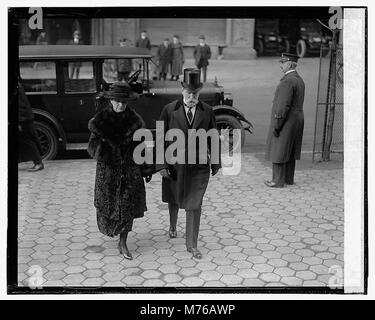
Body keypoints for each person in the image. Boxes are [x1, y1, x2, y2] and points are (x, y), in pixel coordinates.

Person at [159, 69, 221, 259]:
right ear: (182, 90)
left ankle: (192, 245)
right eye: (189, 93)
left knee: (194, 204)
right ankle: (172, 225)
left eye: (195, 94)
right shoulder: (169, 110)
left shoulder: (207, 111)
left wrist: (216, 162)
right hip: (174, 165)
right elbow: (160, 137)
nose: (192, 97)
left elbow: (214, 137)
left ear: (200, 93)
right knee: (174, 197)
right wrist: (160, 165)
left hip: (198, 167)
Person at [87, 82, 147, 260]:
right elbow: (92, 147)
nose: (120, 105)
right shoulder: (100, 120)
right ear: (110, 100)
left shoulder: (135, 121)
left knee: (127, 208)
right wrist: (104, 148)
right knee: (109, 206)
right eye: (116, 101)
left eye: (123, 102)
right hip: (108, 172)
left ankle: (123, 242)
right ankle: (113, 232)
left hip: (129, 172)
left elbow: (141, 148)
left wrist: (146, 169)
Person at [265, 53, 305, 188]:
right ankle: (288, 178)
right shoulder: (299, 79)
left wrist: (277, 124)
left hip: (286, 120)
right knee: (291, 149)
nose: (280, 66)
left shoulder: (287, 81)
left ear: (289, 64)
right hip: (297, 119)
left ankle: (277, 181)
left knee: (279, 148)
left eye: (282, 63)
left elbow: (282, 105)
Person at [18, 81, 44, 171]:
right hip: (25, 117)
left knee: (28, 140)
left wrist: (19, 122)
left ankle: (38, 163)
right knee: (29, 139)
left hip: (23, 119)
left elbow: (20, 105)